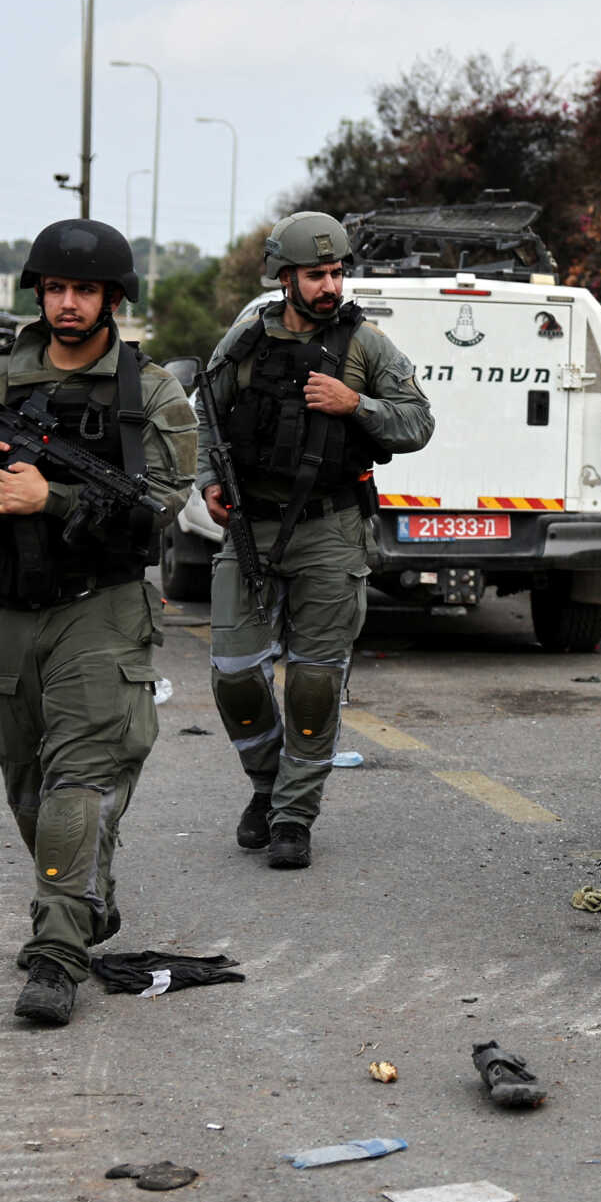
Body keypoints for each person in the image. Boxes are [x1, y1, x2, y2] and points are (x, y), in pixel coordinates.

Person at [0, 219, 197, 1026]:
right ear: (39, 292)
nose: (70, 304)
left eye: (87, 291)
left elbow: (163, 509)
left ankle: (57, 954)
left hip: (98, 610)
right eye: (58, 289)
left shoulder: (151, 393)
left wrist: (56, 497)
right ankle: (81, 895)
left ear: (112, 298)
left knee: (79, 780)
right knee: (28, 786)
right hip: (2, 610)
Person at [201, 211, 433, 870]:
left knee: (312, 683)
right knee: (235, 675)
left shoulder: (367, 346)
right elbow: (207, 410)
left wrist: (353, 405)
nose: (329, 285)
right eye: (315, 274)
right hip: (251, 525)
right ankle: (268, 785)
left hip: (332, 529)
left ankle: (294, 815)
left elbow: (417, 423)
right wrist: (209, 482)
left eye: (336, 272)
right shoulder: (246, 339)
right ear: (284, 277)